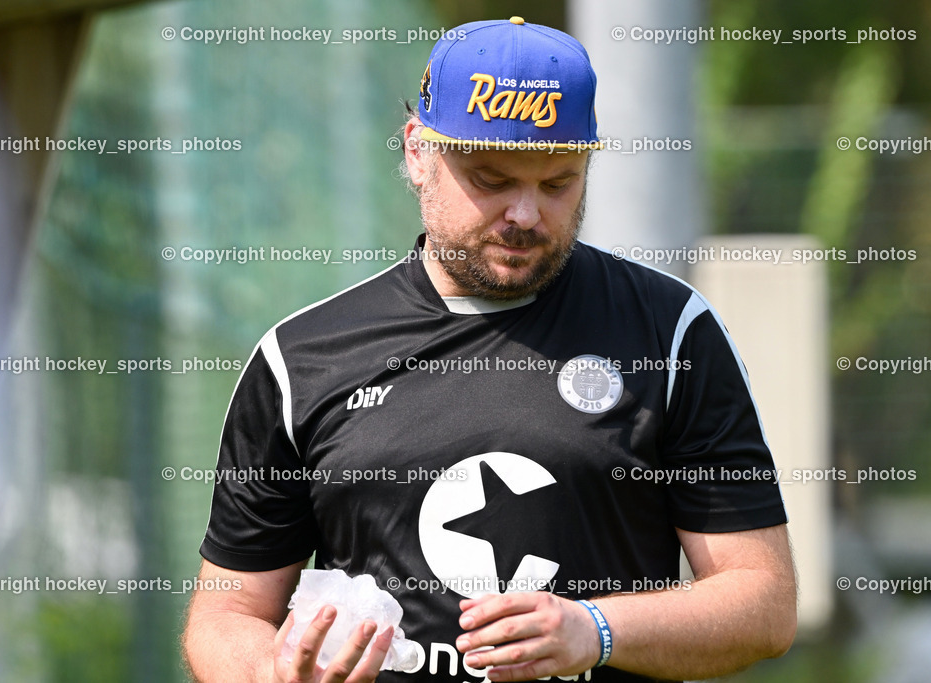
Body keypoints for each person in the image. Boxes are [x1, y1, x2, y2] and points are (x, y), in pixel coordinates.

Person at [182, 17, 796, 683]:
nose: (526, 214)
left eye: (557, 183)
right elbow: (226, 614)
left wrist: (596, 630)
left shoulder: (669, 332)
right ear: (419, 153)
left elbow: (762, 602)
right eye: (492, 179)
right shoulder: (300, 359)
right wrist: (272, 674)